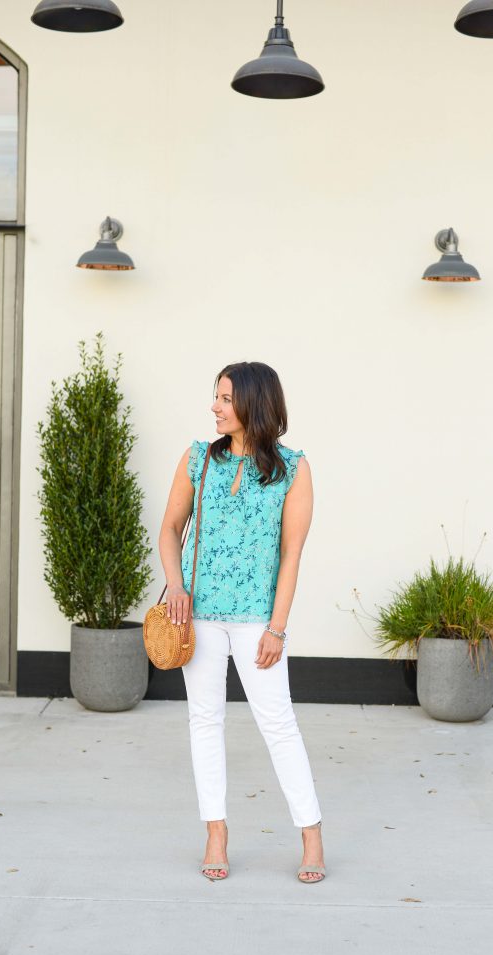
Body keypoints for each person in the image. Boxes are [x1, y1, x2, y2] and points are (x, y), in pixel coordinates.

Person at [158, 361, 325, 883]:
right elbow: (168, 530)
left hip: (257, 620)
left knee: (279, 725)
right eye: (216, 396)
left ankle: (312, 835)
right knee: (204, 722)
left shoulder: (293, 469)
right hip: (197, 617)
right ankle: (216, 831)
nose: (215, 406)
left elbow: (291, 556)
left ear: (253, 404)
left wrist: (277, 628)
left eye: (225, 398)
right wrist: (177, 586)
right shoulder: (196, 459)